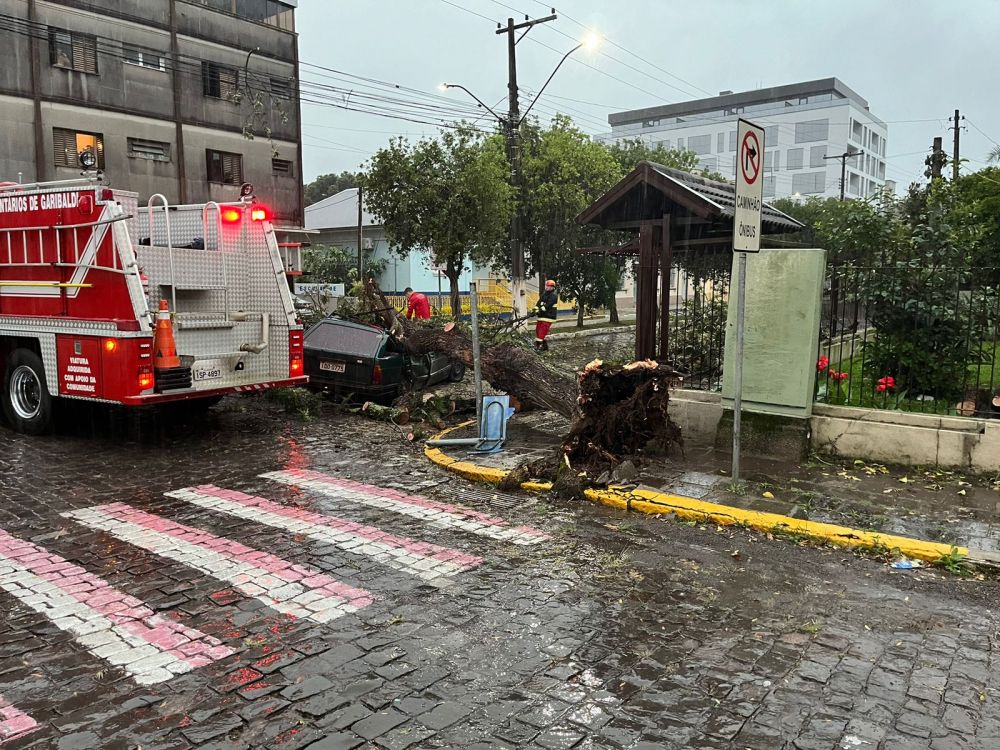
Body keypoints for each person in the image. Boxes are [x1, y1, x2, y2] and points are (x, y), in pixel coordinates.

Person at [533, 279, 558, 352]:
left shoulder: (554, 296)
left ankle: (537, 347)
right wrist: (534, 310)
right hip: (541, 316)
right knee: (538, 331)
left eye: (550, 286)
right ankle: (545, 347)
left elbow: (547, 306)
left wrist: (538, 311)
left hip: (548, 317)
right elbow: (538, 304)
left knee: (542, 331)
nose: (548, 287)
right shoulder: (544, 295)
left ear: (553, 287)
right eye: (547, 286)